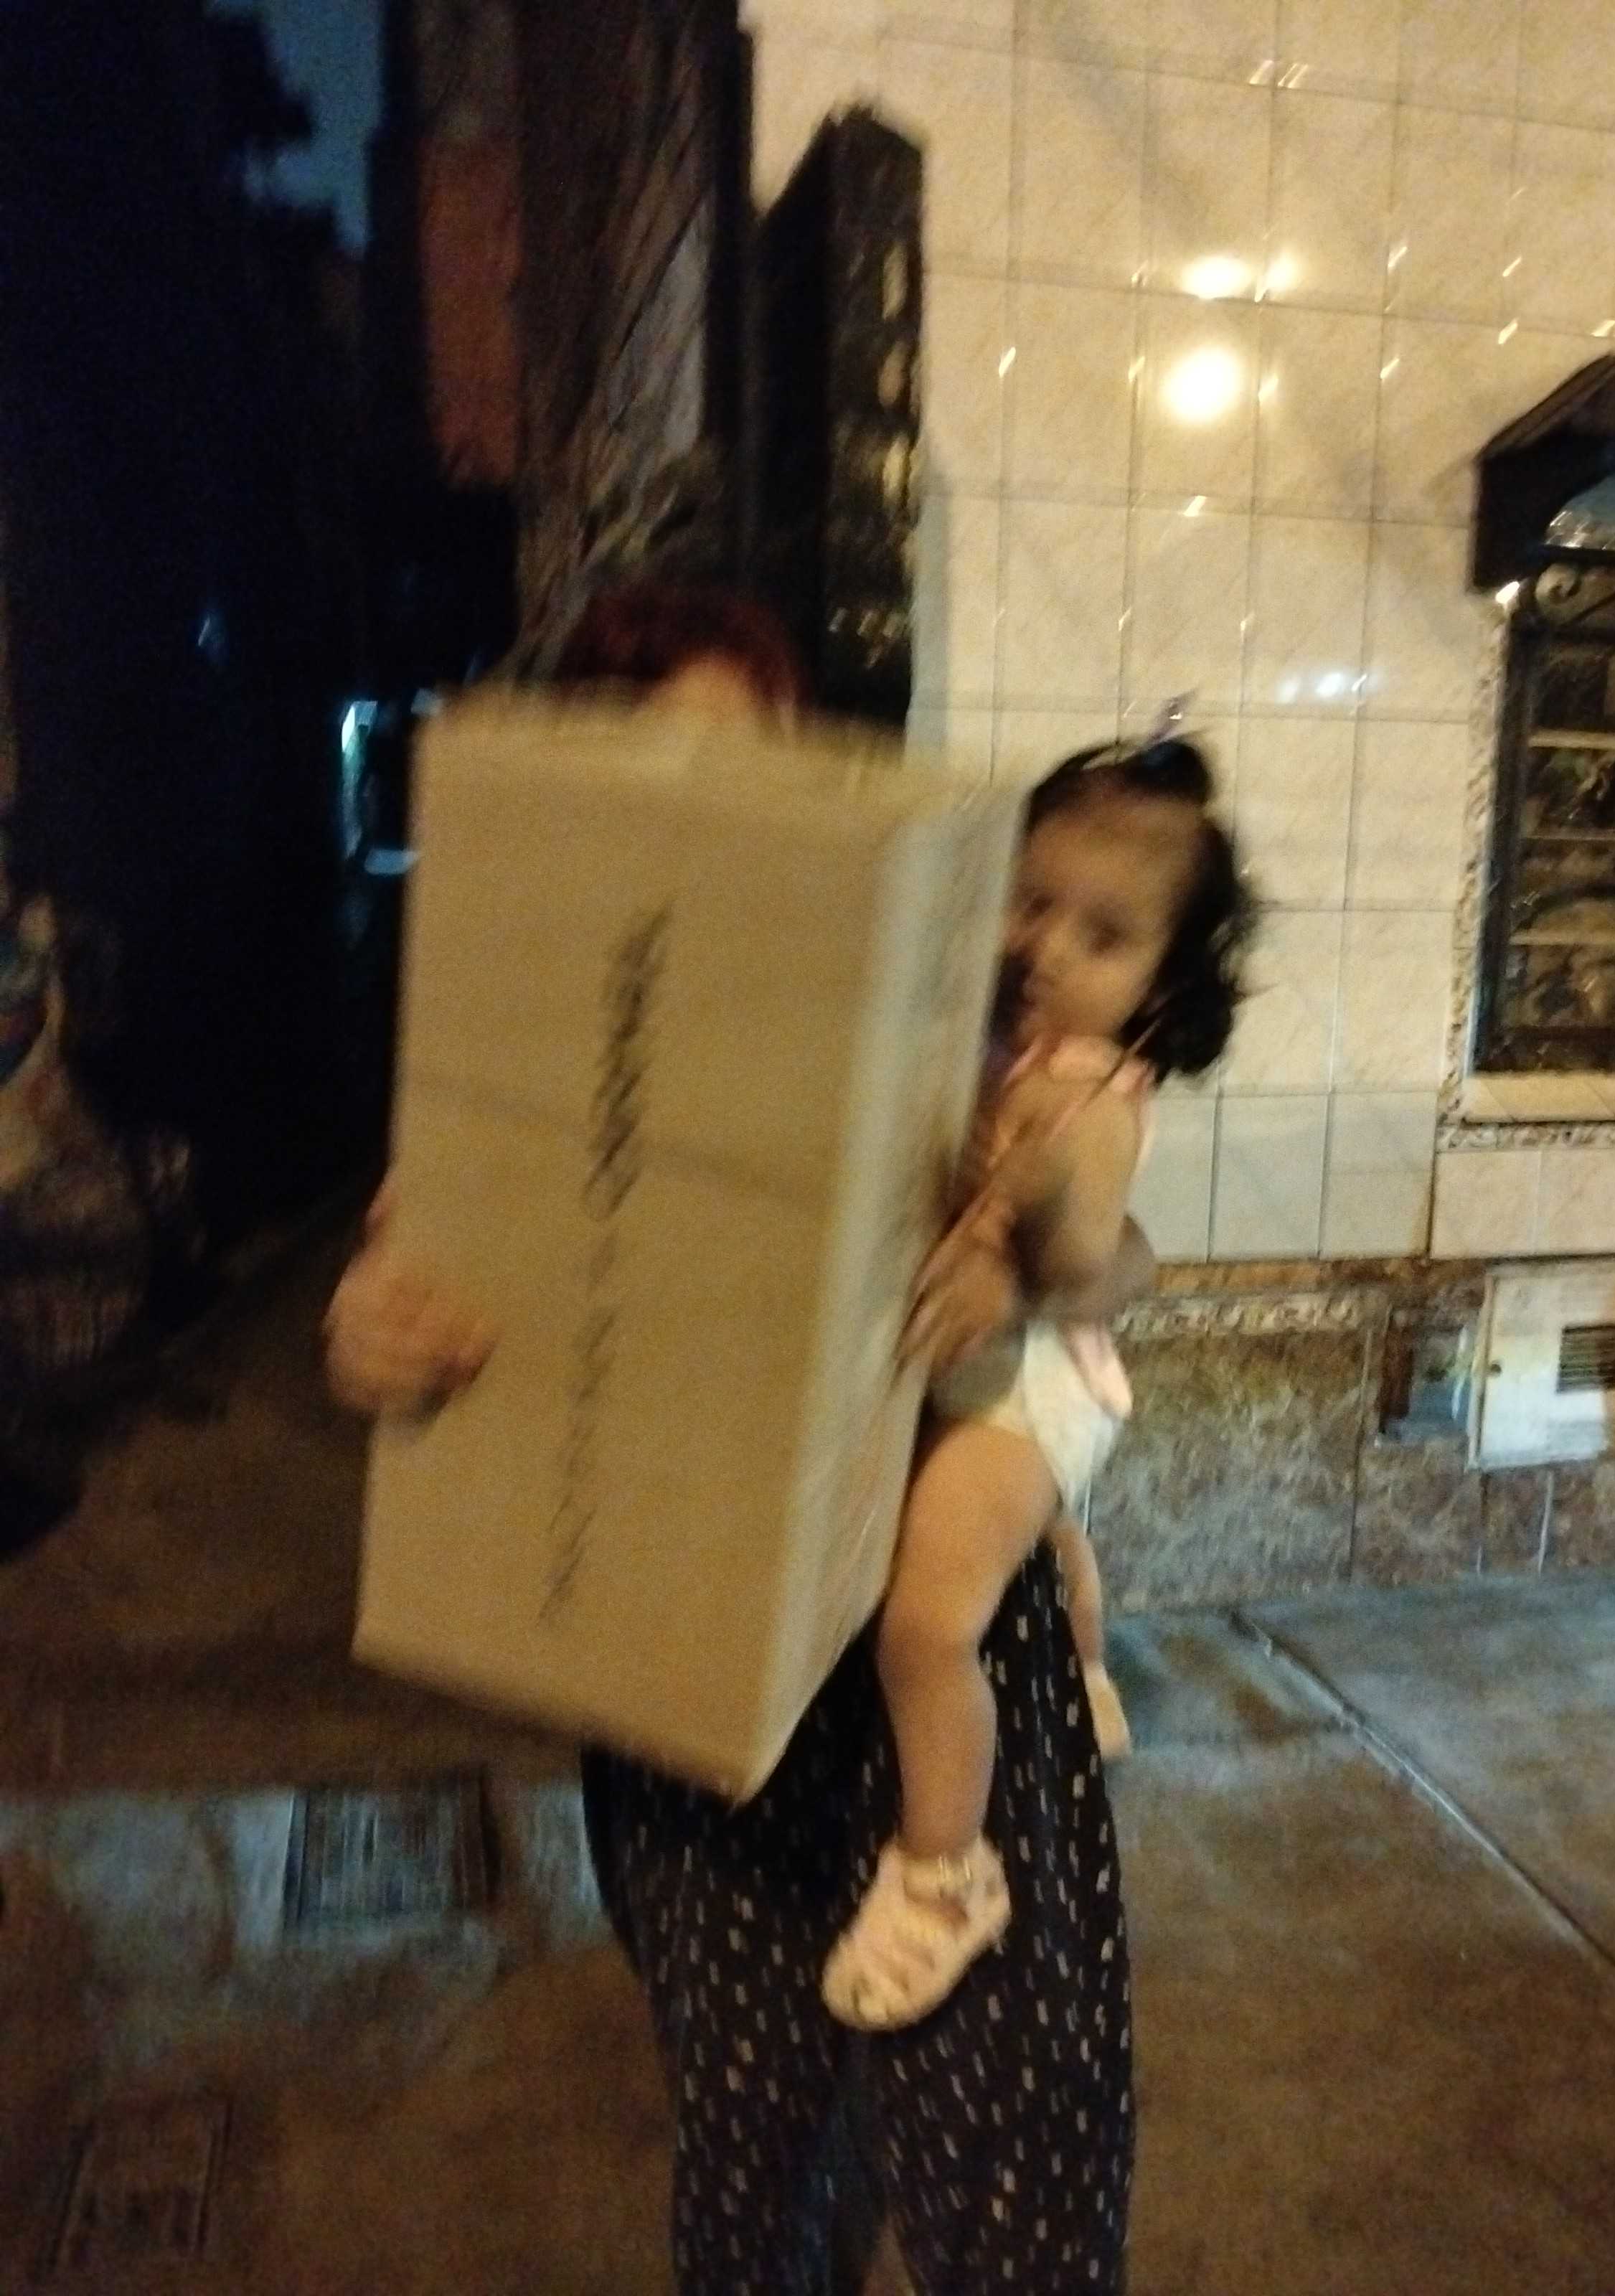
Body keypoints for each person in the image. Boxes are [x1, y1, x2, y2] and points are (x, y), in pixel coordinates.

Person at [325, 581, 1181, 2293]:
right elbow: (411, 1271)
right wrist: (365, 1334)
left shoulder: (920, 1001)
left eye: (751, 766)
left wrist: (1028, 1268)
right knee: (759, 2149)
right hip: (692, 1697)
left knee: (1014, 2148)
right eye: (660, 770)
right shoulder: (527, 1053)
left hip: (936, 1675)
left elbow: (1125, 1258)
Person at [821, 736, 1250, 2031]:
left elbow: (1077, 1266)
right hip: (980, 1374)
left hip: (1031, 1387)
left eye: (1103, 936)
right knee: (1039, 1541)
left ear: (1162, 984)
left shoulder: (1091, 1096)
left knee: (925, 1627)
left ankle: (945, 1877)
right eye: (1032, 902)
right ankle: (1088, 1665)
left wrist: (1038, 1196)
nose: (1049, 949)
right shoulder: (993, 1041)